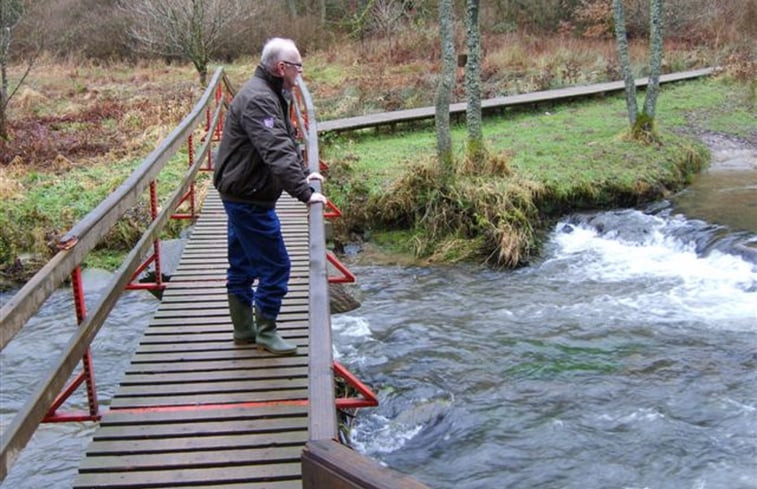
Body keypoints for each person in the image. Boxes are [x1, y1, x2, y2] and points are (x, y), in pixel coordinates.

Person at [213, 37, 327, 355]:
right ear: (282, 67)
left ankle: (244, 330)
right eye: (298, 66)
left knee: (241, 265)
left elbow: (284, 137)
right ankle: (265, 331)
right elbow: (275, 149)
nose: (300, 73)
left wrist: (304, 172)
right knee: (276, 266)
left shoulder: (272, 93)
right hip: (248, 197)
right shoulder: (259, 99)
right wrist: (305, 194)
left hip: (241, 191)